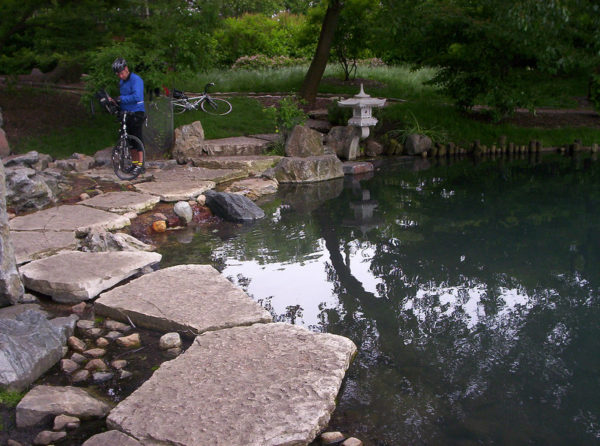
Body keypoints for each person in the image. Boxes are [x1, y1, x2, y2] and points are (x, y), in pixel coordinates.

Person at [109, 57, 145, 174]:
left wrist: (121, 99)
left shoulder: (136, 80)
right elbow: (123, 99)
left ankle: (141, 165)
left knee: (137, 139)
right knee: (129, 140)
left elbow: (137, 97)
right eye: (118, 74)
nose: (120, 76)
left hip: (136, 112)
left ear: (126, 69)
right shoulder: (122, 82)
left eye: (122, 73)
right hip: (126, 112)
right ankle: (134, 164)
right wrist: (115, 101)